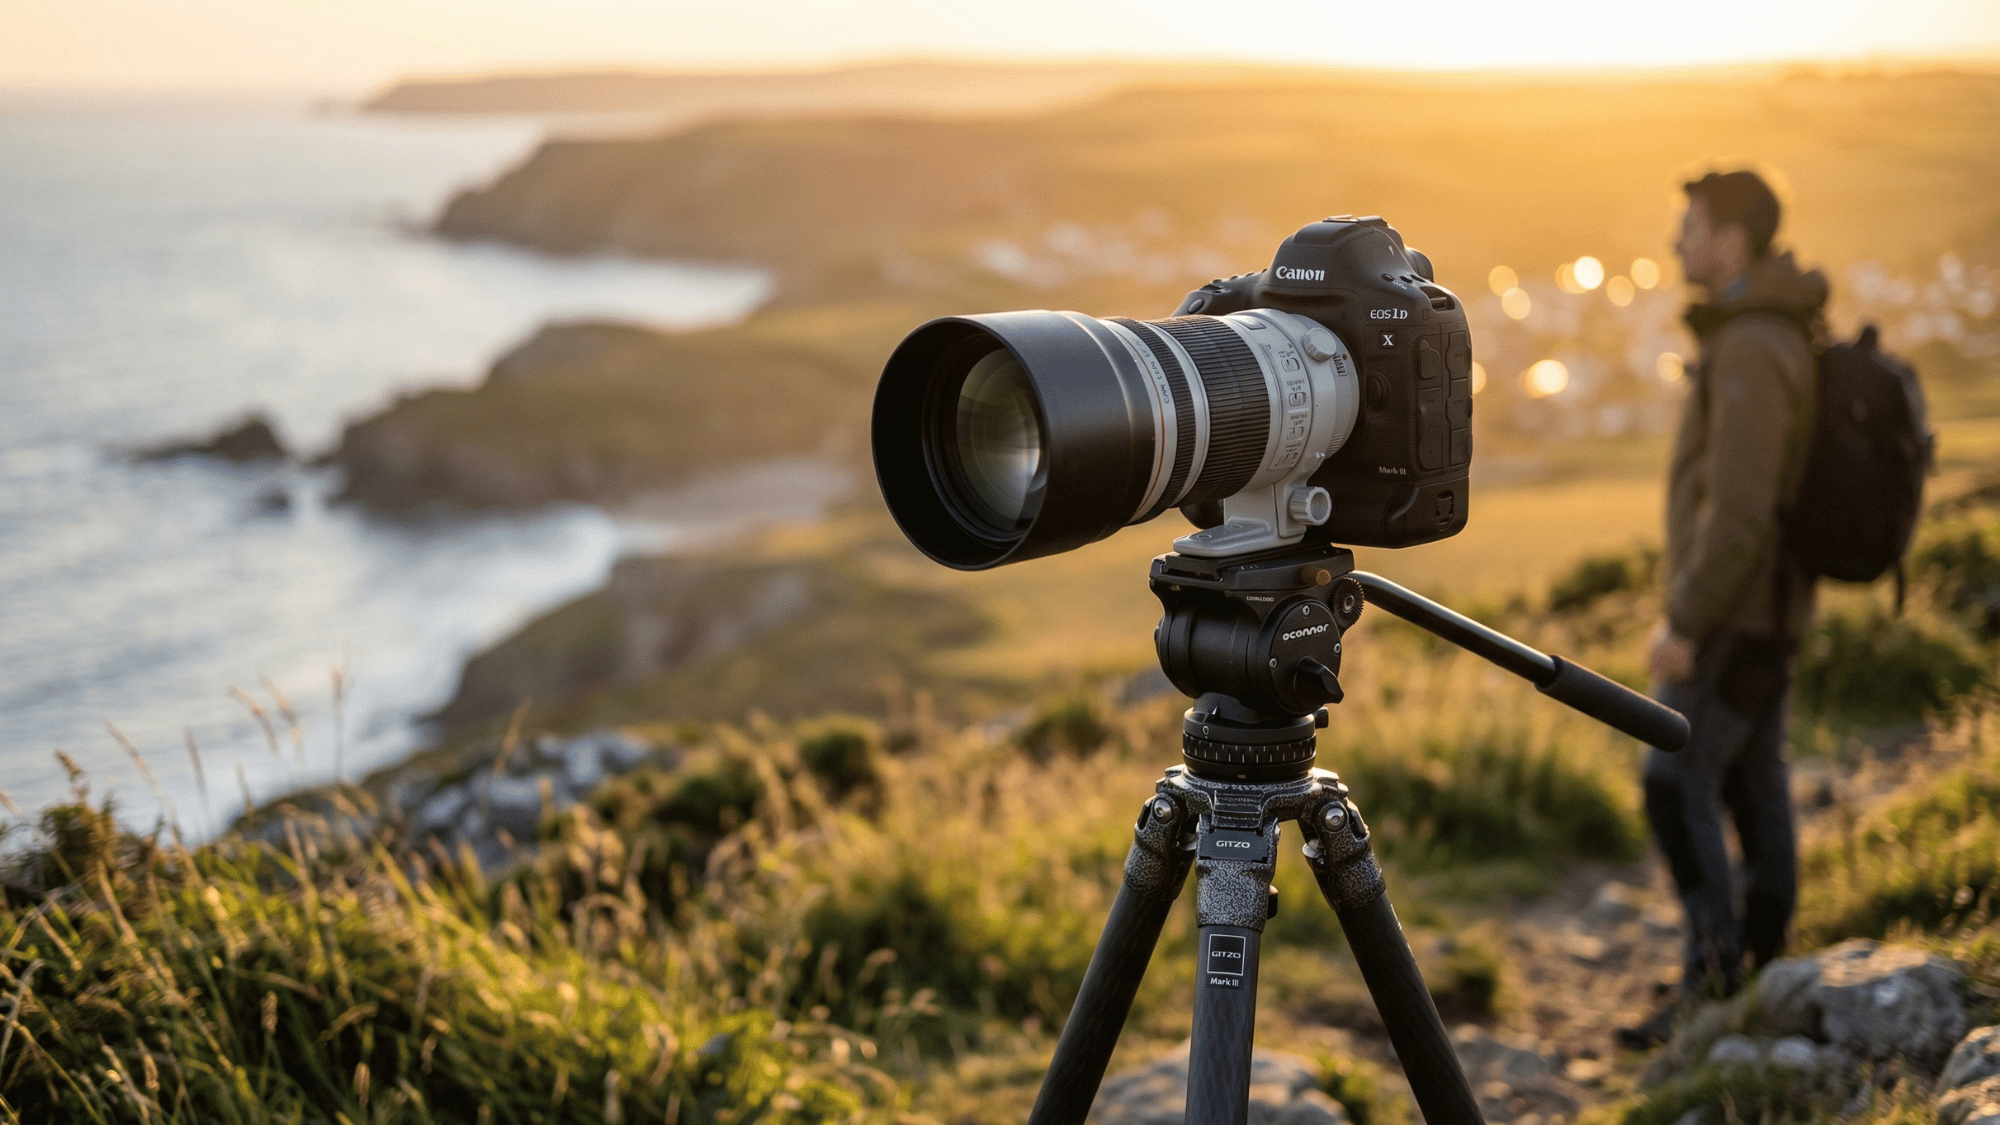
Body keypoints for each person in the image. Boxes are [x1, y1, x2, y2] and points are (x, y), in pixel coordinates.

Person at [1619, 170, 1828, 1049]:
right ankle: (1764, 965)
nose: (1677, 243)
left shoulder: (1749, 346)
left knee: (1673, 780)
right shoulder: (1774, 331)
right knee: (1751, 777)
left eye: (1691, 227)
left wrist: (1686, 621)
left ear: (1732, 241)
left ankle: (1714, 982)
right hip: (1769, 608)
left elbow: (1740, 513)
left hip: (1739, 613)